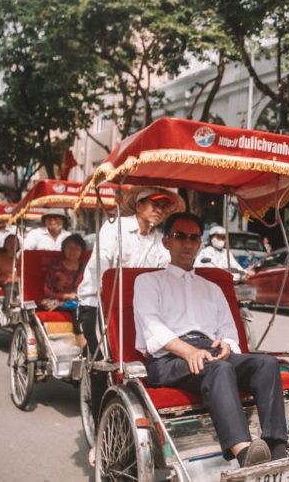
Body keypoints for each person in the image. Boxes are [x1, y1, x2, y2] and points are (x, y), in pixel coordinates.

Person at [134, 212, 288, 467]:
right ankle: (244, 452)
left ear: (199, 243)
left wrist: (227, 344)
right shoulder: (148, 282)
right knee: (219, 368)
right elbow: (153, 328)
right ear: (166, 241)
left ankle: (276, 447)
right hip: (169, 358)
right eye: (179, 236)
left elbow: (228, 330)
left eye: (193, 238)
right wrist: (188, 352)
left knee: (266, 364)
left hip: (211, 354)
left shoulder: (212, 288)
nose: (187, 242)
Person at [77, 185, 184, 452]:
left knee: (157, 354)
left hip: (136, 307)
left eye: (163, 206)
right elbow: (103, 270)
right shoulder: (115, 229)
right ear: (138, 205)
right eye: (154, 204)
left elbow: (163, 272)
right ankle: (102, 435)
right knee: (105, 363)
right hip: (99, 303)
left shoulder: (160, 239)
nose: (159, 210)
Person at [41, 233, 87, 346]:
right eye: (69, 247)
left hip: (81, 300)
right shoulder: (56, 267)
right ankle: (80, 337)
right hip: (56, 302)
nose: (73, 251)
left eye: (77, 248)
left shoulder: (85, 268)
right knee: (75, 306)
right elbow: (47, 291)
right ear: (63, 249)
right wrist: (65, 296)